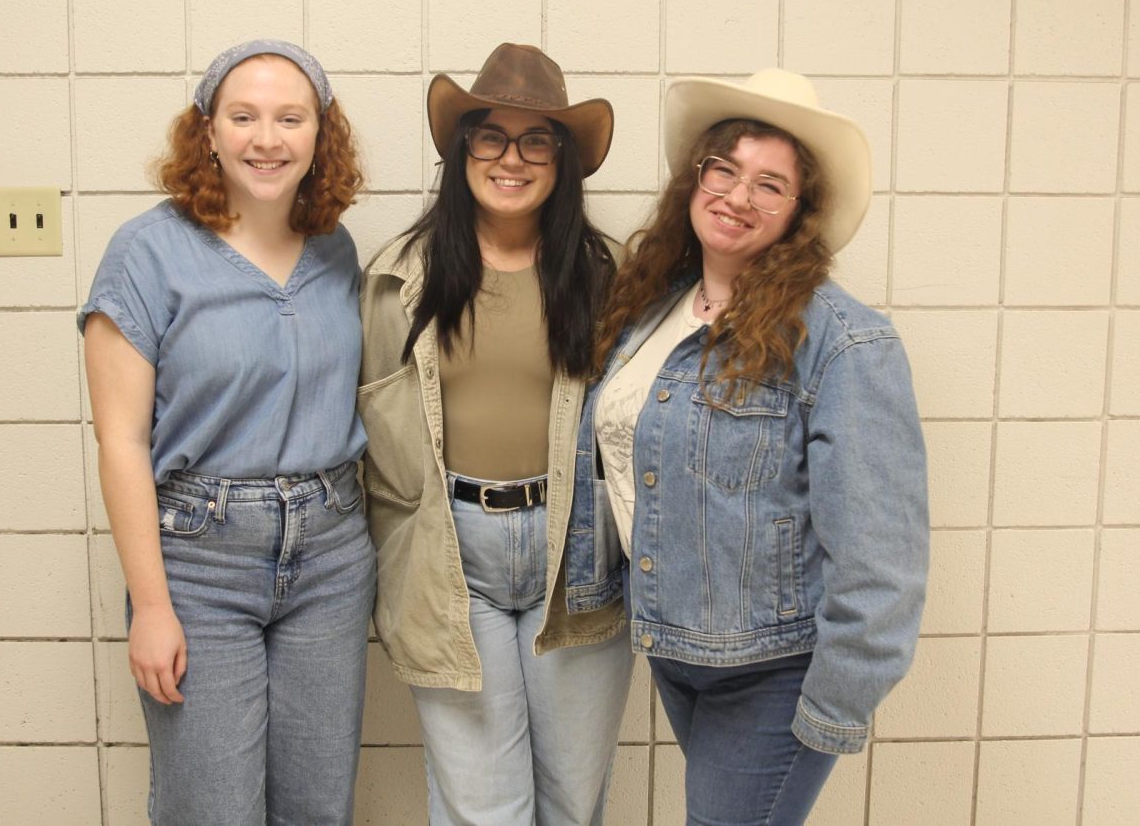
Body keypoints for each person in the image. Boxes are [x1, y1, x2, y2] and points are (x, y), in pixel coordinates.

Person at [569, 69, 929, 825]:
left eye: (770, 184)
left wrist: (832, 708)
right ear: (695, 178)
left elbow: (879, 557)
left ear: (800, 212)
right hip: (676, 649)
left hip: (775, 672)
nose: (737, 196)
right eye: (725, 169)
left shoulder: (842, 341)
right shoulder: (652, 311)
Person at [79, 39, 374, 825]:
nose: (266, 139)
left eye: (290, 118)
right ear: (207, 131)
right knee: (211, 806)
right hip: (200, 560)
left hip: (333, 556)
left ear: (320, 134)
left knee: (318, 804)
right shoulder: (148, 251)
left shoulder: (334, 248)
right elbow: (120, 442)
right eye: (243, 117)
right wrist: (151, 604)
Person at [358, 43, 634, 825]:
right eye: (491, 137)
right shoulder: (394, 280)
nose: (511, 159)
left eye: (536, 140)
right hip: (452, 559)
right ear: (462, 148)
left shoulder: (610, 279)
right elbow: (364, 450)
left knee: (572, 803)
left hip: (576, 555)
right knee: (485, 808)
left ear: (561, 160)